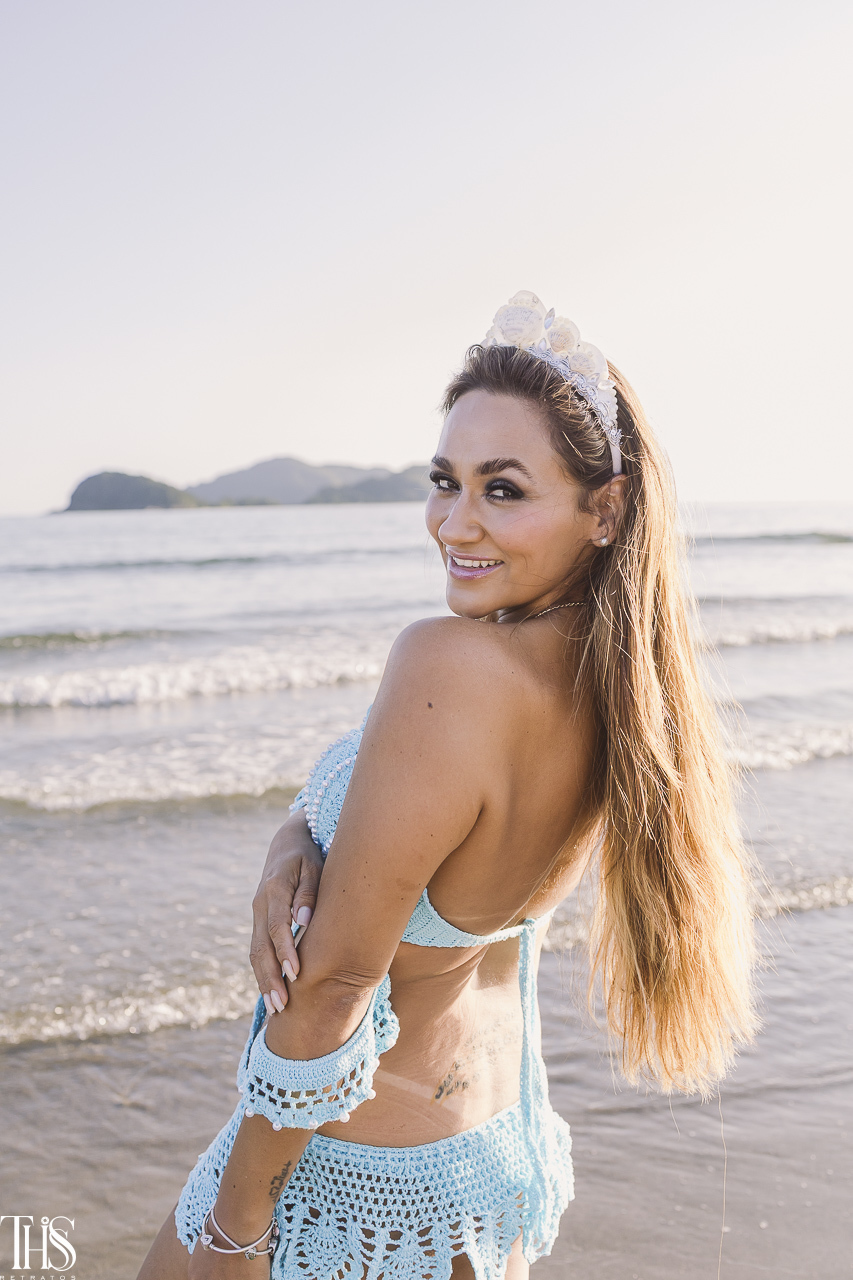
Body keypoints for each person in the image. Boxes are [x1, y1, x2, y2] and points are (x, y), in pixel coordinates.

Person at [138, 291, 756, 1280]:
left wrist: (236, 1224)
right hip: (479, 1153)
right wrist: (295, 834)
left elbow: (339, 980)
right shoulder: (616, 691)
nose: (452, 522)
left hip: (346, 1176)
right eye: (444, 479)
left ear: (605, 507)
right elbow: (467, 898)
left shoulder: (447, 667)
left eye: (501, 488)